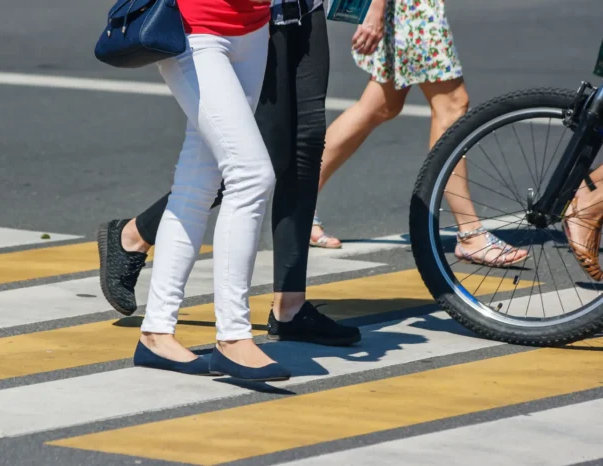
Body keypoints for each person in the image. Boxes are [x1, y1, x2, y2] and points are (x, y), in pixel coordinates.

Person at [98, 0, 361, 380]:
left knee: (197, 180)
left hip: (252, 30)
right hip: (198, 29)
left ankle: (156, 332)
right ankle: (233, 338)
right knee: (251, 174)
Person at [309, 0, 529, 267]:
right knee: (452, 104)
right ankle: (471, 234)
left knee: (381, 105)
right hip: (409, 7)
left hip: (405, 8)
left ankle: (300, 204)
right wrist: (376, 8)